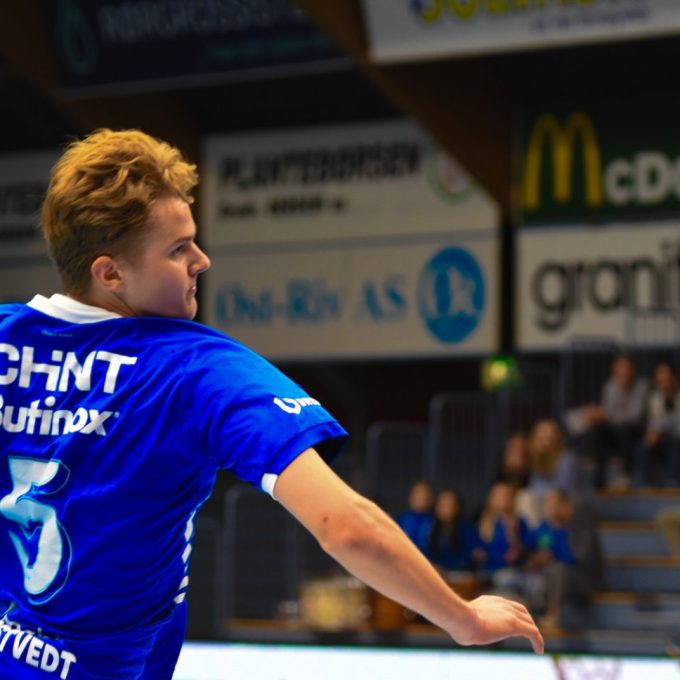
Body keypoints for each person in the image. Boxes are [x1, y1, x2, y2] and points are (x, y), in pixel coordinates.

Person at [0, 129, 542, 679]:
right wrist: (463, 618)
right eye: (177, 249)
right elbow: (346, 527)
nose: (202, 260)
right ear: (110, 272)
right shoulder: (195, 370)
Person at [525, 489, 604, 630]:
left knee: (558, 569)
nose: (551, 508)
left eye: (555, 504)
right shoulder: (545, 527)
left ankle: (553, 614)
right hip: (549, 576)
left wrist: (552, 554)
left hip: (583, 580)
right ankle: (532, 616)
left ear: (567, 506)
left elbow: (576, 558)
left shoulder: (580, 528)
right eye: (548, 504)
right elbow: (527, 545)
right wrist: (534, 558)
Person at [579, 353, 649, 488]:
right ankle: (599, 477)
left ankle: (626, 476)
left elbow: (635, 415)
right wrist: (598, 414)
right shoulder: (609, 386)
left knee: (625, 429)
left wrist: (609, 415)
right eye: (621, 367)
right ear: (615, 369)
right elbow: (607, 410)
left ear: (633, 369)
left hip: (635, 429)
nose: (624, 371)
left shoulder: (642, 386)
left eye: (627, 368)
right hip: (615, 428)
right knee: (598, 430)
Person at [522, 419, 589, 526]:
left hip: (572, 502)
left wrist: (547, 495)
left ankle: (544, 534)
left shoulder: (568, 458)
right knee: (526, 497)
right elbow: (533, 486)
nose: (545, 443)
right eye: (541, 439)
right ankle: (537, 534)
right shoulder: (536, 459)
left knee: (548, 500)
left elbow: (563, 490)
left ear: (557, 440)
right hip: (546, 501)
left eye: (549, 438)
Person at [637, 363, 680, 487]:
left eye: (666, 377)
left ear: (674, 377)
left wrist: (663, 433)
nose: (663, 381)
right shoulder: (654, 398)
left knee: (674, 446)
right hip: (661, 438)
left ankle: (674, 482)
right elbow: (653, 422)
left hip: (676, 439)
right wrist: (652, 434)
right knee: (643, 447)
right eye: (660, 378)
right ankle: (648, 483)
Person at [427, 490, 481, 573]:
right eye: (444, 505)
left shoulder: (466, 528)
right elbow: (426, 552)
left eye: (451, 505)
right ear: (437, 507)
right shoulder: (429, 527)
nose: (448, 509)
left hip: (461, 572)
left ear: (457, 507)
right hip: (436, 572)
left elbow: (472, 554)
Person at [396, 480, 435, 555]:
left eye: (424, 494)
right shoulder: (401, 519)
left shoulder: (435, 521)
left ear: (430, 498)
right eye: (417, 494)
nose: (420, 497)